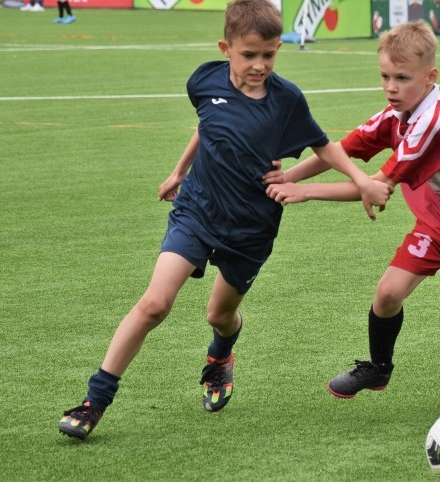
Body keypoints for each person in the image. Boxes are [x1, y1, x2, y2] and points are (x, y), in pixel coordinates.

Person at [58, 0, 392, 441]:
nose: (260, 65)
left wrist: (360, 180)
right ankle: (94, 401)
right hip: (197, 211)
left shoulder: (286, 99)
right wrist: (179, 171)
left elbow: (323, 145)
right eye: (249, 54)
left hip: (251, 228)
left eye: (269, 55)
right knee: (155, 304)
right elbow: (207, 123)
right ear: (226, 47)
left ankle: (220, 357)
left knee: (220, 314)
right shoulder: (204, 79)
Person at [265, 21, 440, 410]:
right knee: (387, 294)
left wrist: (303, 192)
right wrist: (284, 177)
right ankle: (379, 367)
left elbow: (375, 188)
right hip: (439, 220)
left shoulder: (433, 123)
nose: (391, 87)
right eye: (385, 76)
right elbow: (341, 151)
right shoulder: (396, 114)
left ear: (430, 76)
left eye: (402, 78)